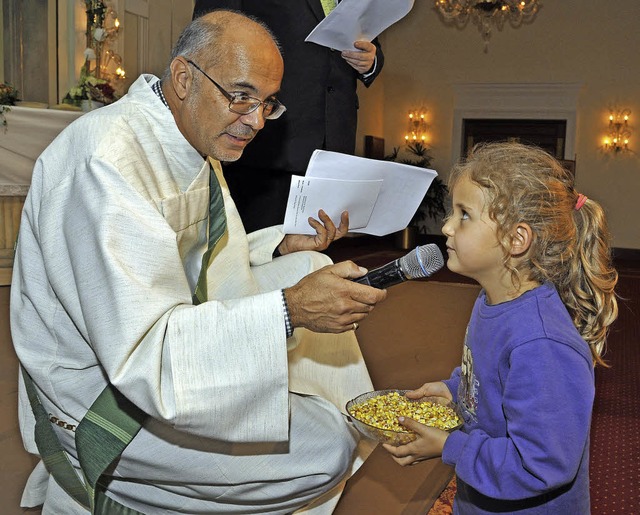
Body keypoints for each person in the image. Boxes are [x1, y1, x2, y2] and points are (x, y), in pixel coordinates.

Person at [11, 10, 387, 515]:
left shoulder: (187, 136)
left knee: (307, 269)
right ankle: (119, 483)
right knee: (326, 449)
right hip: (106, 395)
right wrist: (288, 312)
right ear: (185, 77)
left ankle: (296, 418)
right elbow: (145, 358)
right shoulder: (107, 165)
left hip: (155, 350)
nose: (255, 121)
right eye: (241, 96)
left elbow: (203, 263)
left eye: (267, 103)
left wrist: (280, 249)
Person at [382, 142, 618, 514]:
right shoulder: (491, 301)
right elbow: (491, 377)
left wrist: (450, 447)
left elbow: (539, 466)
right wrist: (454, 389)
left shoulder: (542, 344)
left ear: (516, 240)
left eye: (464, 215)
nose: (445, 226)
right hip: (482, 498)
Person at [192, 1, 384, 232]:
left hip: (334, 139)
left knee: (317, 246)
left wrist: (371, 60)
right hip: (272, 135)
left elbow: (369, 38)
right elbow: (209, 31)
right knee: (259, 245)